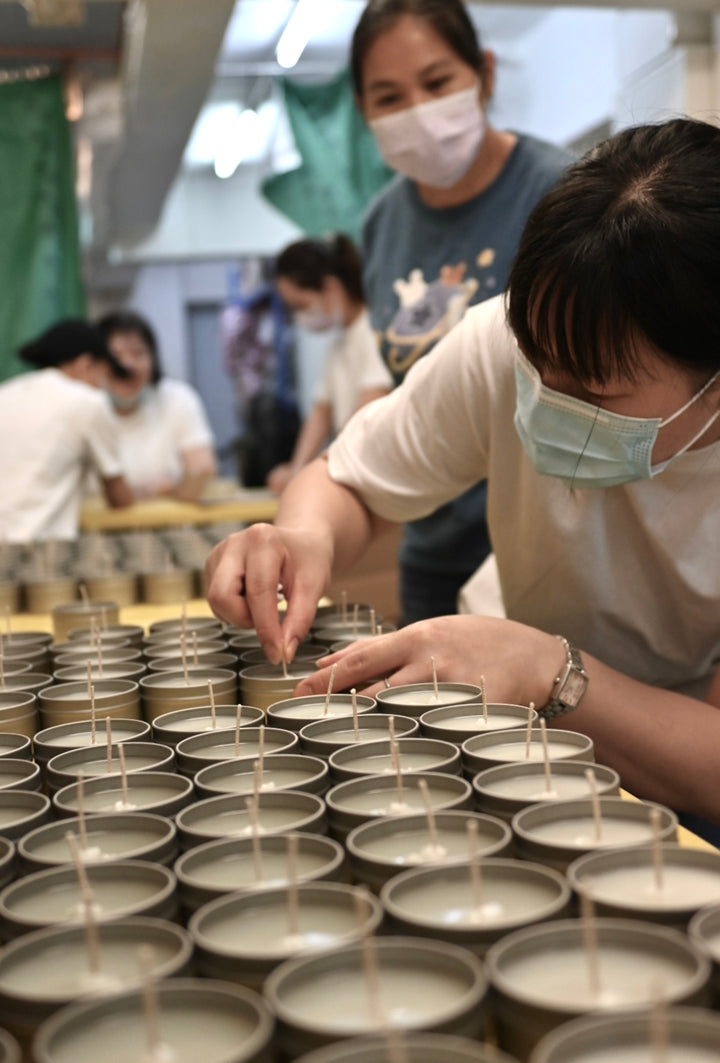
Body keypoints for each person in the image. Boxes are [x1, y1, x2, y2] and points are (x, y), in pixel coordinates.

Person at [205, 118, 720, 833]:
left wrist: (550, 668)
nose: (547, 395)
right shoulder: (503, 340)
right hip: (518, 723)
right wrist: (302, 534)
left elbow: (712, 766)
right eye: (536, 367)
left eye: (592, 391)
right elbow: (350, 481)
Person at [352, 0, 574, 624]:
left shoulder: (562, 194)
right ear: (363, 111)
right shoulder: (382, 224)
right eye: (388, 96)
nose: (418, 112)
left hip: (546, 554)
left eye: (437, 82)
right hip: (431, 548)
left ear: (485, 74)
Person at [266, 234, 393, 495]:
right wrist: (296, 468)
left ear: (331, 288)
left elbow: (365, 416)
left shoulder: (372, 331)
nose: (300, 316)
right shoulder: (339, 343)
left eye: (300, 305)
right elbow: (321, 412)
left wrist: (312, 474)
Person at [0, 320, 133, 541]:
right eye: (103, 374)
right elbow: (120, 499)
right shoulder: (89, 402)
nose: (103, 385)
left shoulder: (6, 393)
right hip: (35, 550)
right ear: (85, 364)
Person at [96, 310, 217, 502]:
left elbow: (202, 469)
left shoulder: (178, 398)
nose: (127, 365)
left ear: (153, 358)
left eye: (138, 353)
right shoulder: (83, 408)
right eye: (116, 356)